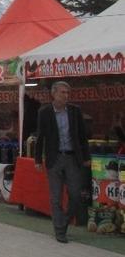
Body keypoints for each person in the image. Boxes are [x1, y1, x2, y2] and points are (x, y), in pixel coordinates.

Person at [34, 81, 90, 243]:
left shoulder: (74, 111)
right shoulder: (44, 112)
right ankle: (60, 231)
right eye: (62, 92)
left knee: (75, 195)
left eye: (67, 93)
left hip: (72, 157)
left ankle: (63, 222)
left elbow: (82, 136)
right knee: (56, 197)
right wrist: (38, 159)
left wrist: (86, 157)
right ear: (54, 94)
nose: (66, 95)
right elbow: (40, 137)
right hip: (55, 158)